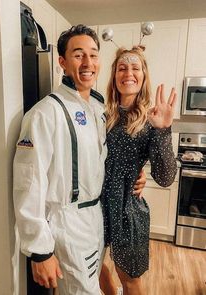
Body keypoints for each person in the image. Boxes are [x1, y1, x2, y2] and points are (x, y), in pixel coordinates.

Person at [13, 25, 146, 295]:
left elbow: (104, 161)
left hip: (96, 218)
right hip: (67, 223)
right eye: (78, 55)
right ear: (62, 61)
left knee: (93, 283)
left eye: (94, 55)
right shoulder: (44, 114)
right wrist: (39, 251)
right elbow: (28, 183)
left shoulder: (99, 108)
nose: (88, 63)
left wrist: (136, 174)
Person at [100, 46, 177, 295]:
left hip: (128, 208)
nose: (128, 73)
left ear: (143, 76)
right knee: (94, 265)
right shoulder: (102, 114)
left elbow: (165, 178)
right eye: (122, 68)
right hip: (96, 204)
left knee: (130, 278)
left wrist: (163, 130)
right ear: (114, 76)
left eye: (135, 68)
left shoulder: (150, 119)